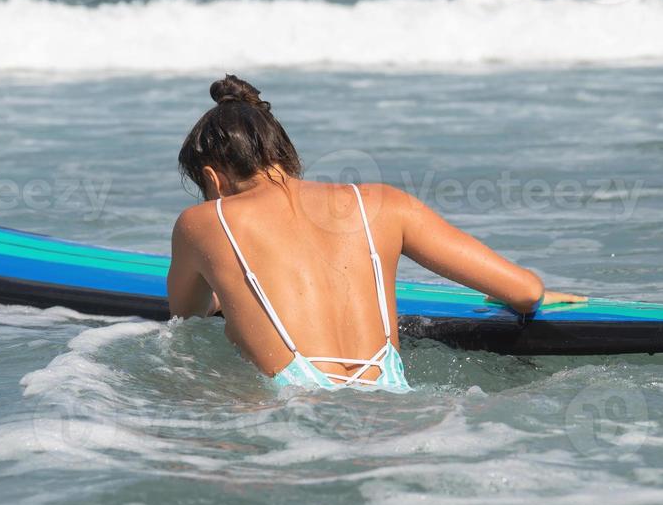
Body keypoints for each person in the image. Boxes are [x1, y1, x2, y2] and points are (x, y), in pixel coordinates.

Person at [167, 75, 585, 391]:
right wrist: (528, 295)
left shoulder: (203, 222)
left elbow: (187, 316)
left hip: (292, 406)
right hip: (387, 397)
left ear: (212, 179)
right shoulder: (384, 203)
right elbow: (526, 292)